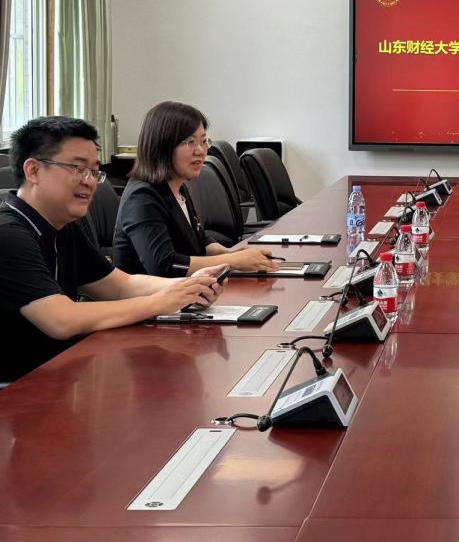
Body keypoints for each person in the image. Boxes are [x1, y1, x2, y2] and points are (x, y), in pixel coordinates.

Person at [0, 117, 223, 383]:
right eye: (77, 168)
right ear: (33, 171)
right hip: (19, 391)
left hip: (60, 373)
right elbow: (61, 320)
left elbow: (119, 286)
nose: (89, 181)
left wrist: (189, 286)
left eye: (94, 171)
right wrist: (161, 301)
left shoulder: (64, 225)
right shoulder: (9, 235)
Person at [113, 101, 277, 277]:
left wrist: (233, 254)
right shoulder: (141, 197)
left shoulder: (178, 187)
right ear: (162, 146)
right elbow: (165, 265)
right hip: (152, 294)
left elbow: (199, 240)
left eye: (204, 141)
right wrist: (233, 261)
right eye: (190, 142)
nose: (200, 151)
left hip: (187, 289)